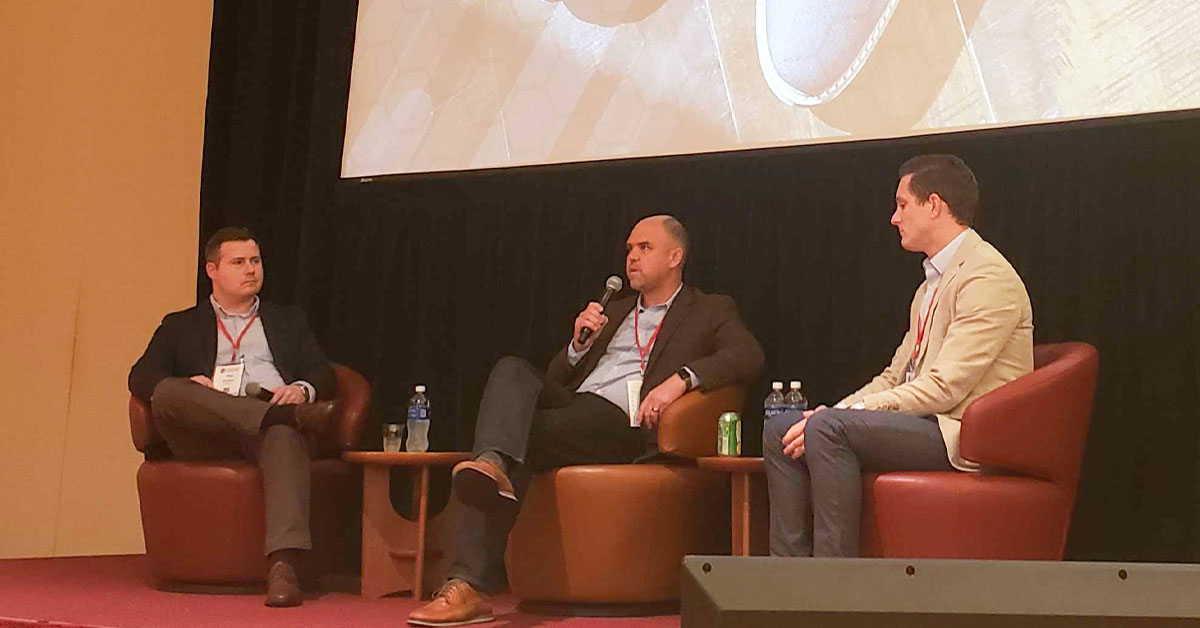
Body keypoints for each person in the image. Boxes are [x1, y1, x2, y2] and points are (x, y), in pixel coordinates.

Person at [408, 215, 765, 626]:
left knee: (516, 439)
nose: (631, 258)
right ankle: (490, 465)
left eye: (644, 248)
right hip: (577, 409)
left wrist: (679, 381)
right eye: (629, 249)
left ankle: (466, 583)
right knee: (511, 370)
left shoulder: (707, 308)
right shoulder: (613, 310)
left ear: (675, 257)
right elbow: (556, 379)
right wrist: (577, 347)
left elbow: (747, 355)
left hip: (623, 423)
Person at [764, 154, 1034, 558]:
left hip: (962, 433)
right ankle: (786, 582)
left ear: (934, 205)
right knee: (781, 429)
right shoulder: (930, 285)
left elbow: (944, 388)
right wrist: (834, 409)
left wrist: (842, 415)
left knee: (826, 429)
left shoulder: (986, 276)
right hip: (925, 421)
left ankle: (830, 590)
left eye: (902, 204)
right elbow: (896, 375)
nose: (894, 218)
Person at [128, 227, 337, 607]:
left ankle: (284, 570)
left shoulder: (288, 319)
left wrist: (303, 390)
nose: (250, 270)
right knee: (171, 392)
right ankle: (277, 418)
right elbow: (140, 377)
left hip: (267, 427)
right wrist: (192, 384)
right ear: (212, 270)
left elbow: (323, 371)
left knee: (283, 436)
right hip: (206, 427)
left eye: (255, 261)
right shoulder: (181, 324)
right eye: (238, 262)